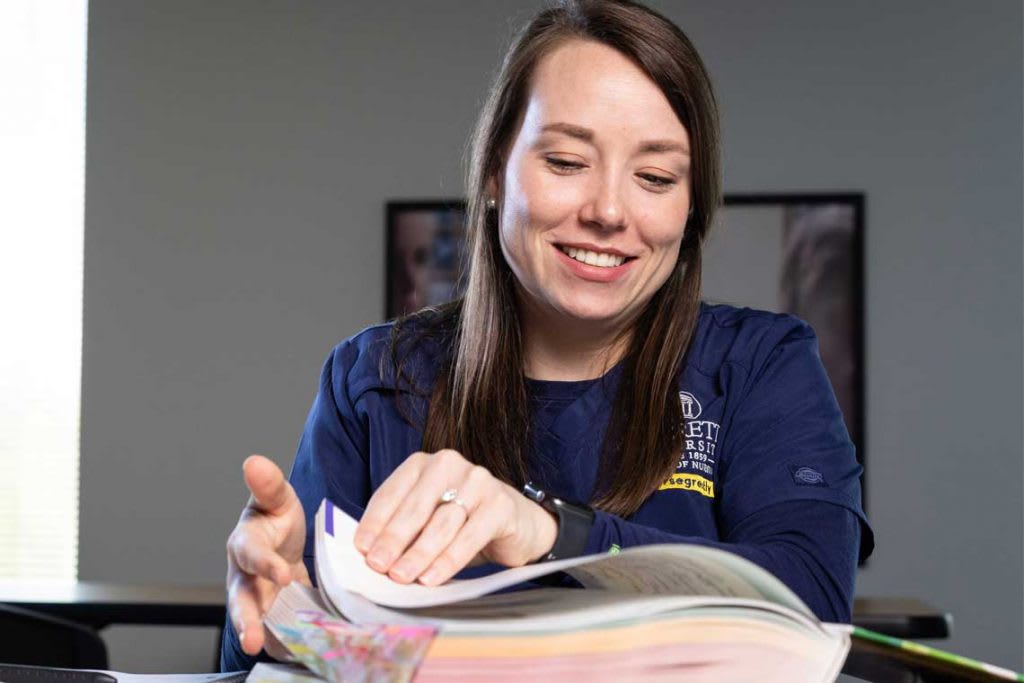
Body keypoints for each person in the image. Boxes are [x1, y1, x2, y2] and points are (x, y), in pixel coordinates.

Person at [222, 0, 873, 671]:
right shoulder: (371, 379)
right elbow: (272, 659)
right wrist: (277, 607)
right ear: (497, 171)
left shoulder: (760, 365)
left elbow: (814, 604)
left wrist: (551, 533)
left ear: (690, 207)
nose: (609, 211)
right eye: (566, 161)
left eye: (654, 177)